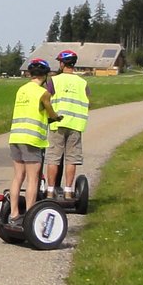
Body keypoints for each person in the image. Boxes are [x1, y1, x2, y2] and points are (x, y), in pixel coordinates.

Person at [6, 58, 58, 224]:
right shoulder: (43, 93)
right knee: (33, 179)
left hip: (15, 137)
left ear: (30, 73)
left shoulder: (21, 90)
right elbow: (50, 112)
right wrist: (56, 117)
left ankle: (14, 214)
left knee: (17, 177)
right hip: (32, 139)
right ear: (45, 75)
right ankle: (30, 216)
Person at [44, 49, 90, 198]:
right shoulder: (83, 83)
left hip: (57, 124)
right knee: (71, 159)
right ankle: (69, 191)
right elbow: (88, 101)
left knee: (53, 158)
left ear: (63, 64)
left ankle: (50, 190)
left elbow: (45, 98)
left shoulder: (54, 80)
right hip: (76, 125)